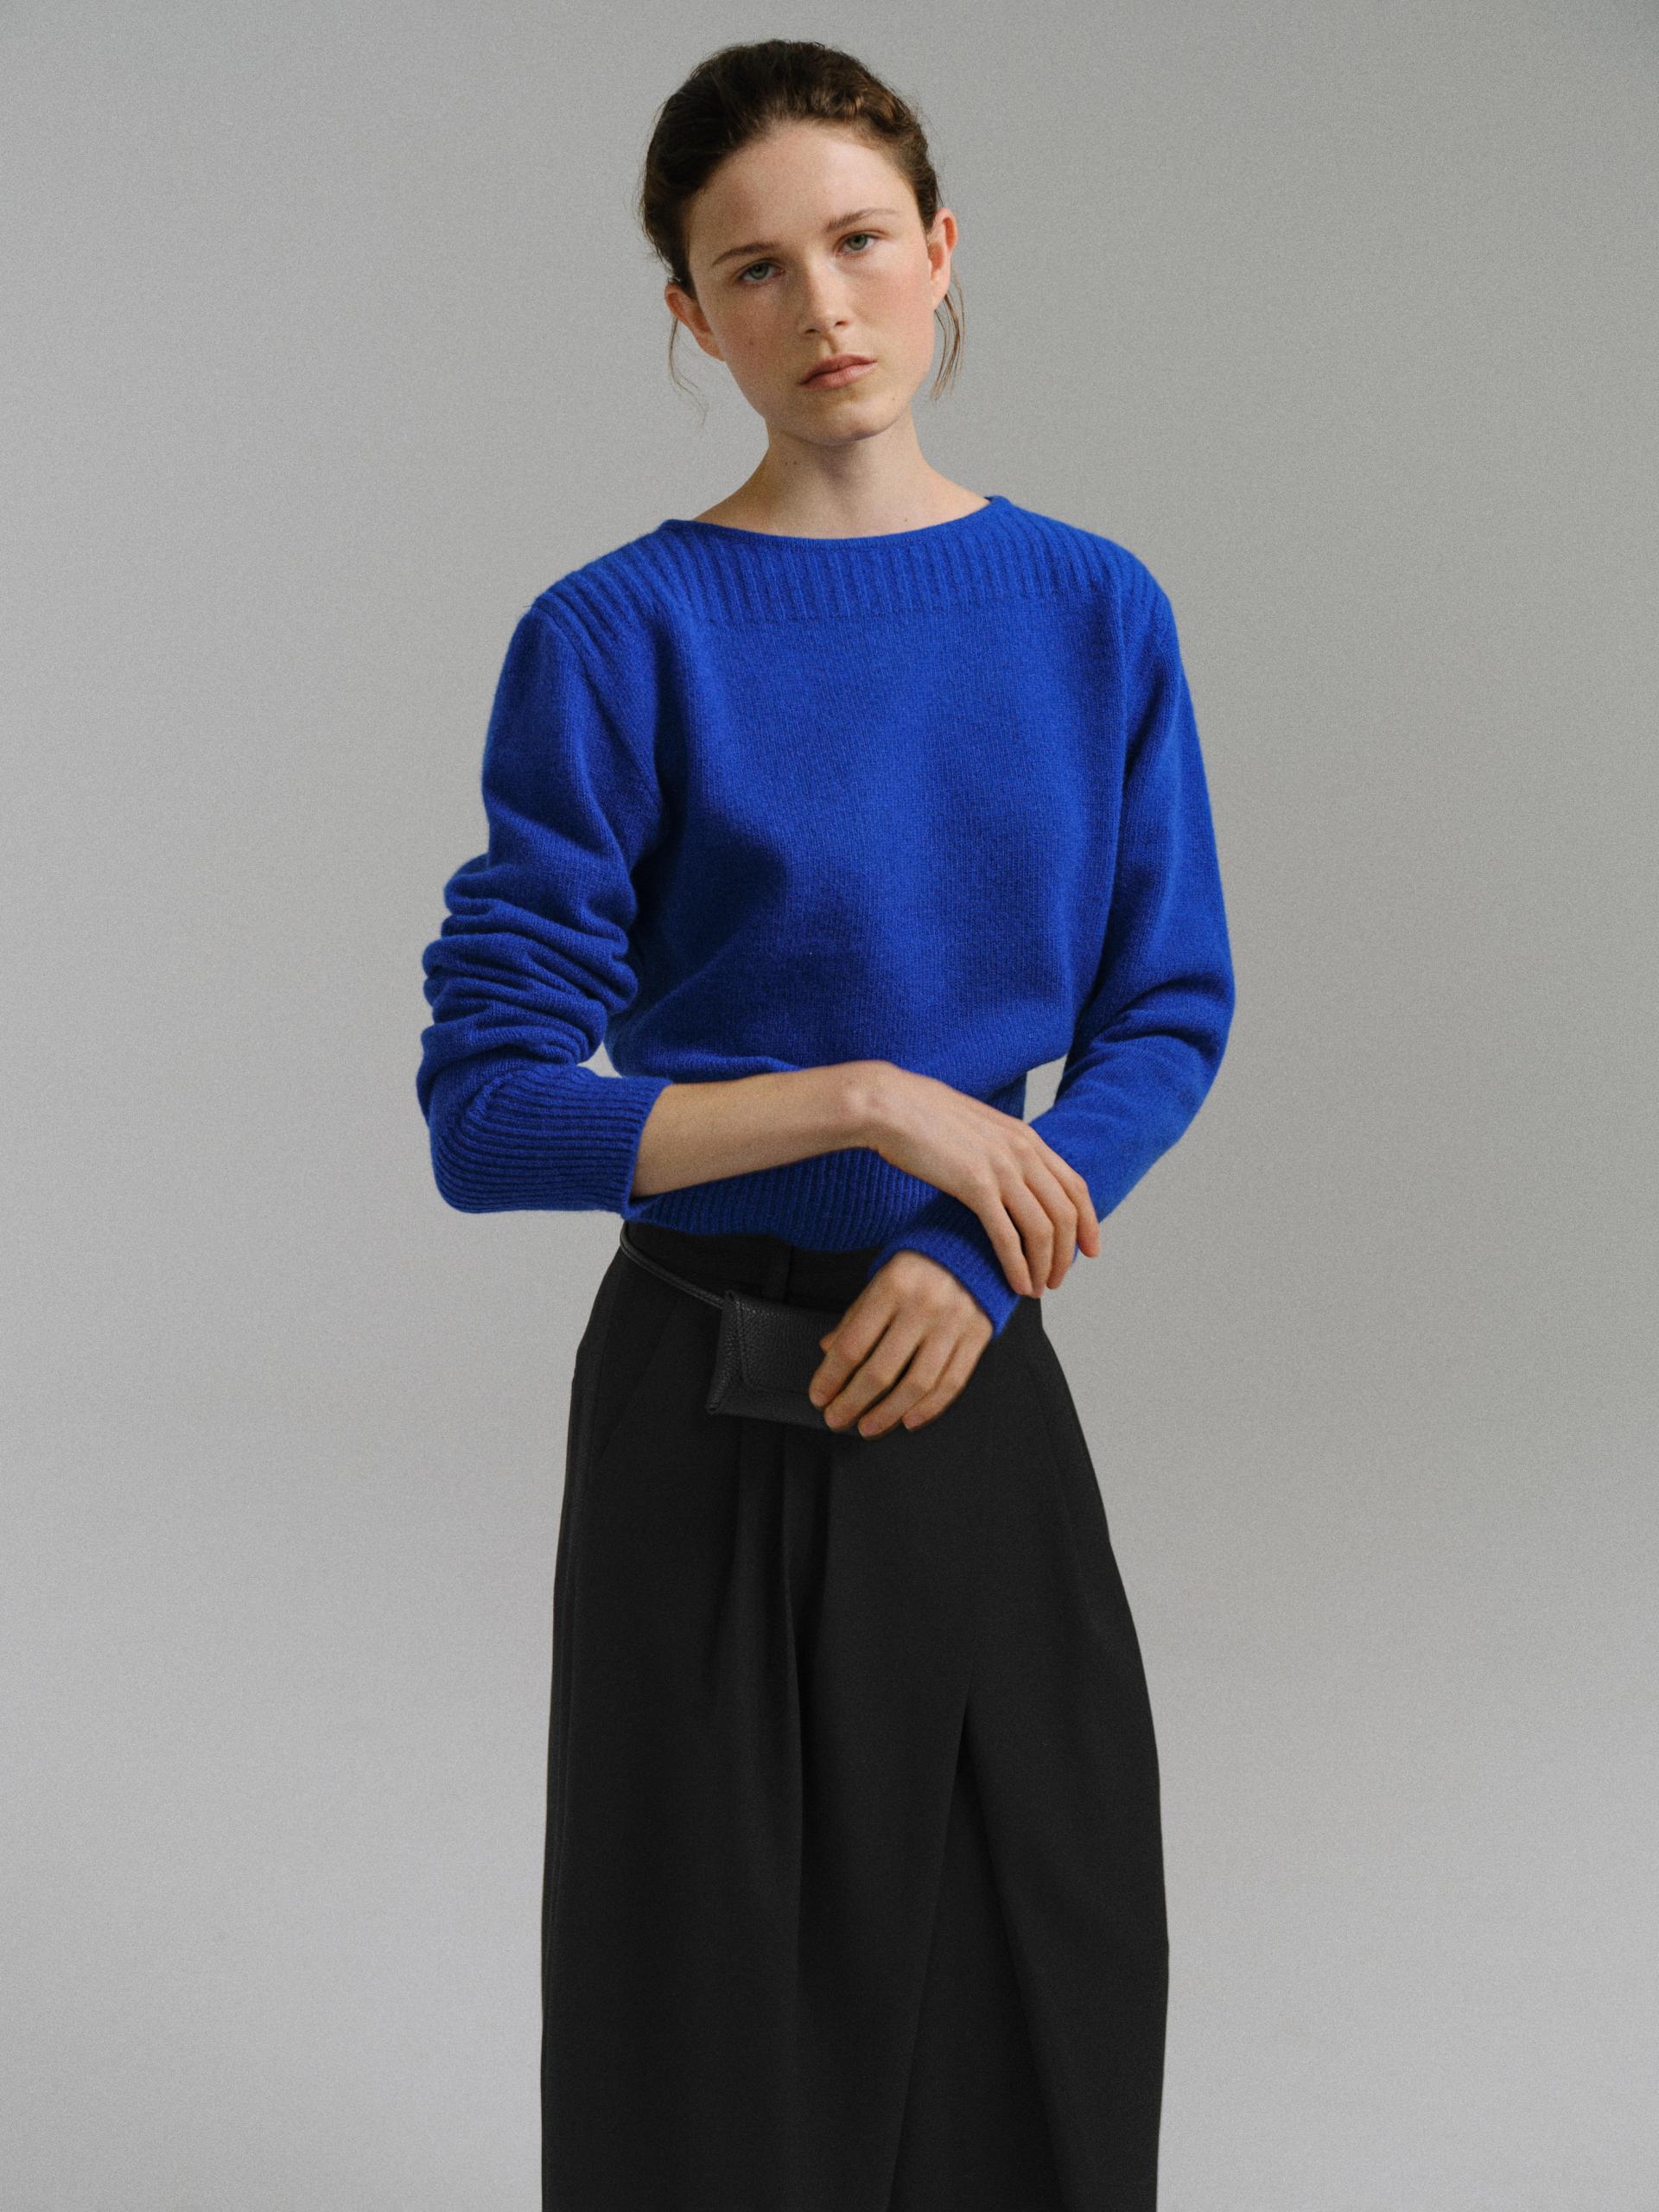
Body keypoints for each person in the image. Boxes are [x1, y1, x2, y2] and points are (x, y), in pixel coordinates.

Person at [415, 37, 1235, 2212]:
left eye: (861, 241)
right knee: (710, 2014)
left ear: (942, 249)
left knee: (1042, 1982)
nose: (825, 306)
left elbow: (1166, 1009)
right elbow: (488, 1112)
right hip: (708, 1392)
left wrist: (973, 1253)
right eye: (755, 269)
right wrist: (874, 1099)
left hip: (970, 1361)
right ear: (693, 318)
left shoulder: (1093, 608)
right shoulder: (616, 637)